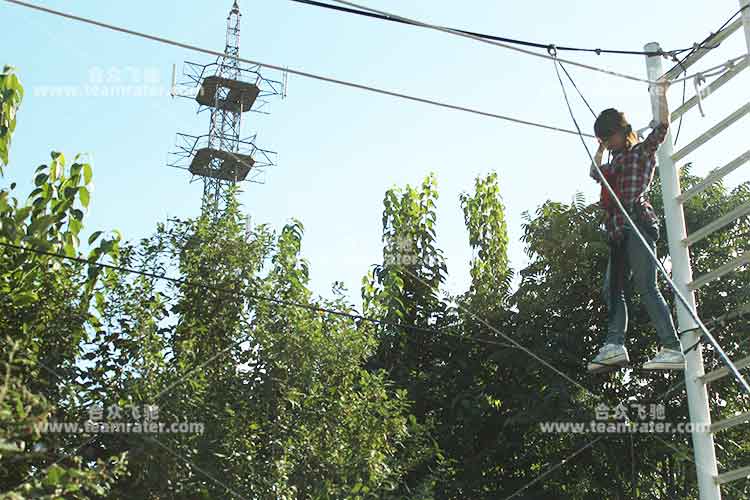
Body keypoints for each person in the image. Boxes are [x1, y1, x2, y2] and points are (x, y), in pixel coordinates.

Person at [587, 81, 685, 372]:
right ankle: (615, 344)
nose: (609, 141)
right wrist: (600, 149)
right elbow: (595, 172)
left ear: (622, 130)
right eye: (604, 138)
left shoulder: (640, 153)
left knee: (645, 286)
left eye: (610, 136)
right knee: (611, 288)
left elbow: (663, 127)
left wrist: (660, 94)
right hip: (618, 232)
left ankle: (672, 347)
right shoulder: (613, 162)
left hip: (637, 223)